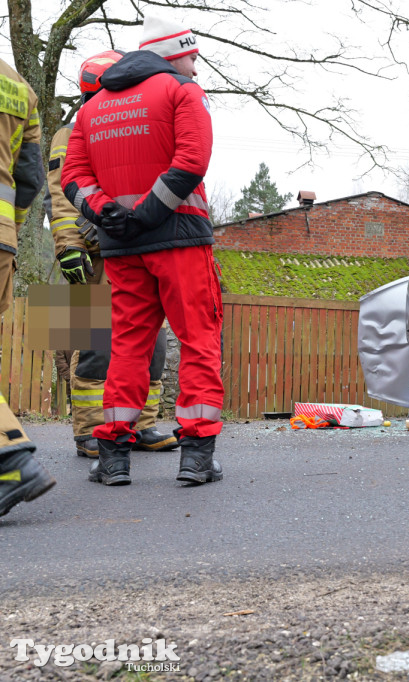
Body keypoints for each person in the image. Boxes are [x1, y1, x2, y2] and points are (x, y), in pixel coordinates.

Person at [61, 14, 223, 486]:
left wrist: (105, 213)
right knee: (198, 340)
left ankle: (112, 456)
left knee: (127, 347)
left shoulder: (92, 109)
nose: (196, 68)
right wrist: (150, 213)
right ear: (175, 53)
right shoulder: (182, 92)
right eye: (192, 57)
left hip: (119, 248)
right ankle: (196, 457)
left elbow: (72, 178)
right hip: (178, 239)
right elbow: (192, 161)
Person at [46, 49, 178, 459]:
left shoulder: (131, 123)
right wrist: (67, 245)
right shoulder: (69, 135)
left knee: (150, 344)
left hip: (130, 249)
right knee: (90, 345)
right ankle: (89, 429)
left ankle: (142, 424)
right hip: (84, 256)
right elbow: (60, 194)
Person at [0, 58, 55, 516]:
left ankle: (104, 440)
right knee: (92, 349)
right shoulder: (20, 86)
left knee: (89, 350)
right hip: (68, 265)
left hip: (73, 266)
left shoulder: (81, 132)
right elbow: (35, 179)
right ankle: (101, 441)